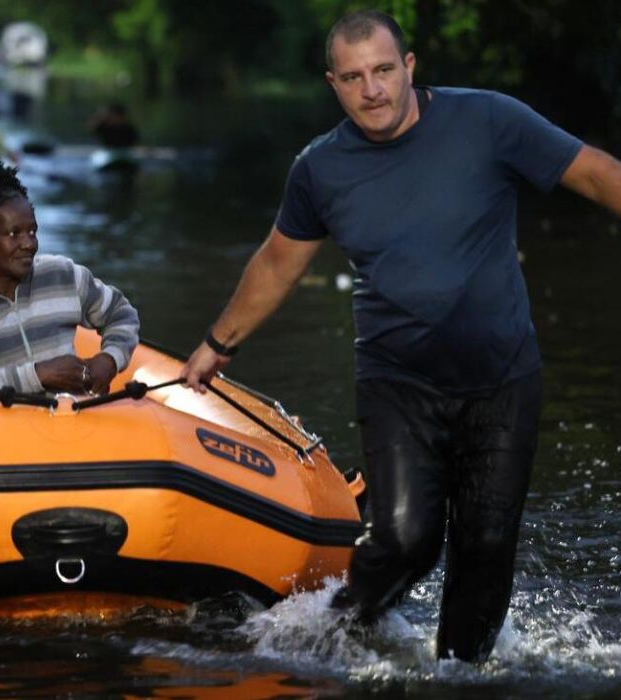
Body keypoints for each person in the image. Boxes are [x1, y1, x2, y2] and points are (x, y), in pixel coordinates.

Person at [183, 9, 621, 662]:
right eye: (354, 77)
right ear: (333, 83)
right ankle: (317, 634)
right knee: (408, 539)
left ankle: (456, 674)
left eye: (385, 70)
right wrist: (217, 345)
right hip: (399, 382)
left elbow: (594, 172)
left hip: (503, 379)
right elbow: (277, 262)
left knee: (487, 544)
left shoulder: (489, 121)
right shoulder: (320, 169)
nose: (373, 89)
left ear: (410, 67)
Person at [0, 156, 140, 409]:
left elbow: (121, 314)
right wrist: (38, 375)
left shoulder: (62, 275)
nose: (29, 243)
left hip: (71, 431)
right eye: (14, 234)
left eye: (32, 231)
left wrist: (109, 360)